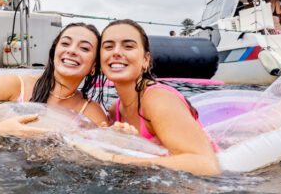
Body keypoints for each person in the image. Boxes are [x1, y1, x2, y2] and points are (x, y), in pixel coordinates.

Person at [90, 19, 220, 176]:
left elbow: (207, 165)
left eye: (128, 46)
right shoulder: (114, 111)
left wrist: (113, 158)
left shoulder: (158, 99)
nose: (116, 52)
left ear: (145, 60)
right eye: (108, 47)